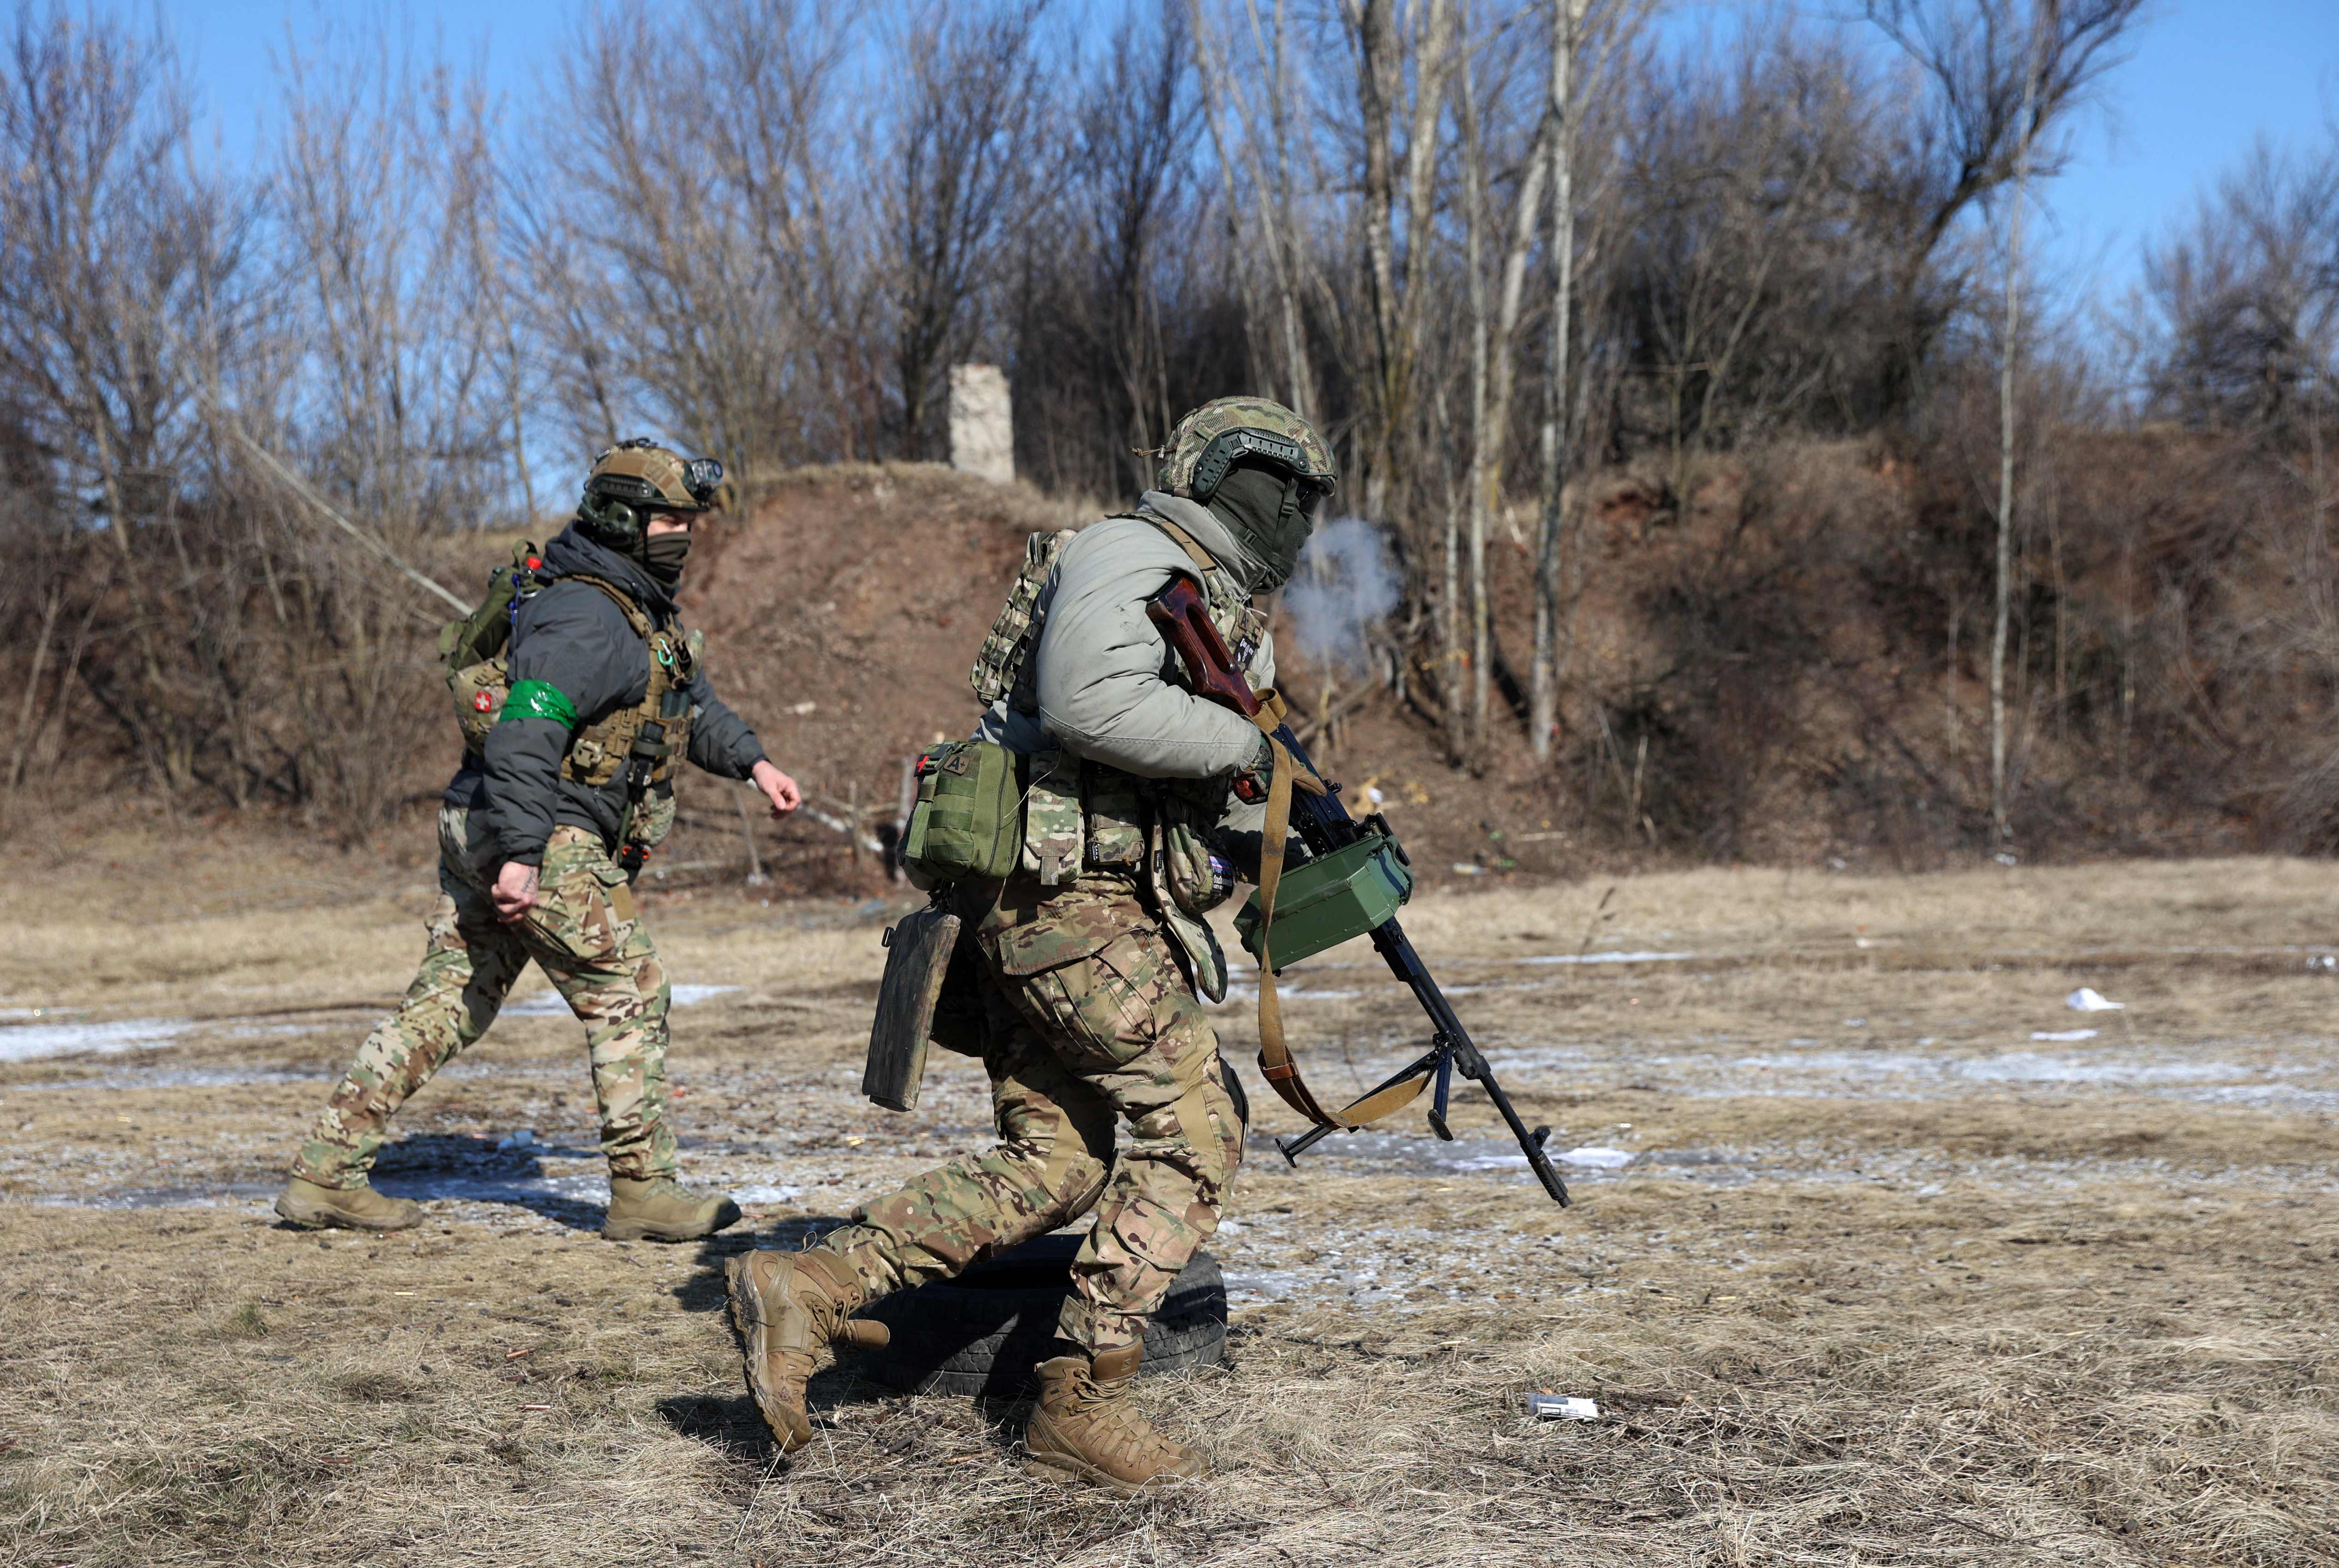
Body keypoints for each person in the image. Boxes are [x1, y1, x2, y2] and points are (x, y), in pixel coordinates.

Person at [723, 397, 1334, 1491]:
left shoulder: (1213, 601)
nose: (1295, 513)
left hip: (1062, 899)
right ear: (1226, 475)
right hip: (1067, 896)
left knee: (1056, 1160)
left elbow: (1180, 772)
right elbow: (1091, 702)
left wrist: (1302, 820)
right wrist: (1249, 744)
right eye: (1282, 488)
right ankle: (1080, 1398)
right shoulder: (1133, 551)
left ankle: (808, 1287)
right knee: (1198, 1121)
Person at [274, 440, 803, 1242]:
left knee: (453, 1000)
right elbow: (525, 732)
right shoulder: (587, 618)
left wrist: (756, 763)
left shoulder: (632, 606)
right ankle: (645, 1194)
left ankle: (324, 1175)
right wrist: (525, 855)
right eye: (670, 520)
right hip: (538, 829)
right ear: (625, 521)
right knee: (629, 988)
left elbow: (684, 705)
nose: (684, 536)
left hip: (495, 822)